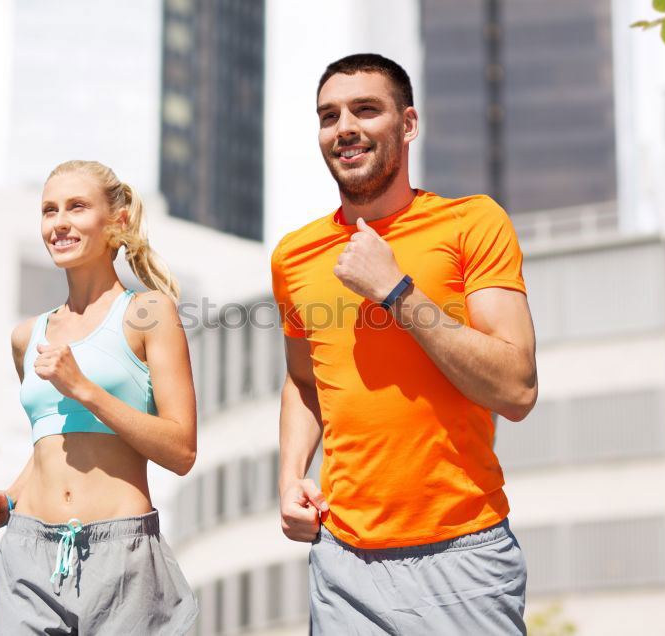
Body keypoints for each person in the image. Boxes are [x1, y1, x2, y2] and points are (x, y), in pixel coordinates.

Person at [270, 54, 537, 634]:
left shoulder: (473, 223)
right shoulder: (293, 254)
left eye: (366, 110)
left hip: (461, 558)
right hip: (341, 561)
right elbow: (303, 380)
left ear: (408, 124)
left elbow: (516, 388)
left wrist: (395, 290)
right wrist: (291, 475)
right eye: (329, 115)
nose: (344, 127)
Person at [0, 160, 198, 635]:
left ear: (118, 221)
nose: (59, 223)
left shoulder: (149, 313)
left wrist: (85, 389)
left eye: (77, 207)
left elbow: (181, 450)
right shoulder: (27, 335)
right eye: (50, 210)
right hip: (28, 554)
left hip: (121, 557)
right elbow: (53, 442)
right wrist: (8, 501)